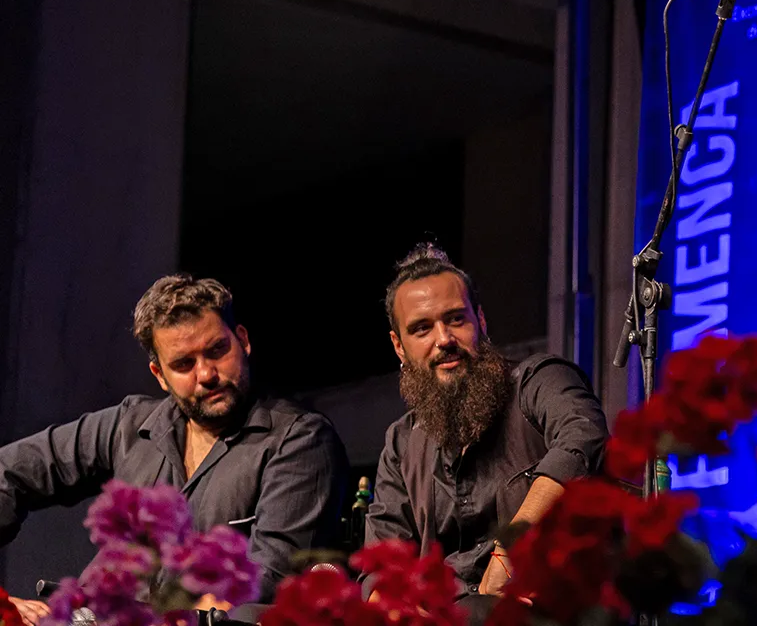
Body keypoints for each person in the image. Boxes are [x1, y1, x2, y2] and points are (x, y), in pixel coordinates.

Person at [0, 275, 350, 623]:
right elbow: (10, 471)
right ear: (159, 375)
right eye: (184, 364)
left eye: (217, 350)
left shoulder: (298, 439)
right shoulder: (130, 424)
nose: (206, 374)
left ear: (242, 340)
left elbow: (271, 579)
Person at [363, 245, 607, 625]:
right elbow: (381, 565)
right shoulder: (400, 443)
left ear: (481, 320)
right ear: (399, 346)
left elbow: (583, 437)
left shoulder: (536, 382)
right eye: (422, 328)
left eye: (456, 319)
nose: (443, 339)